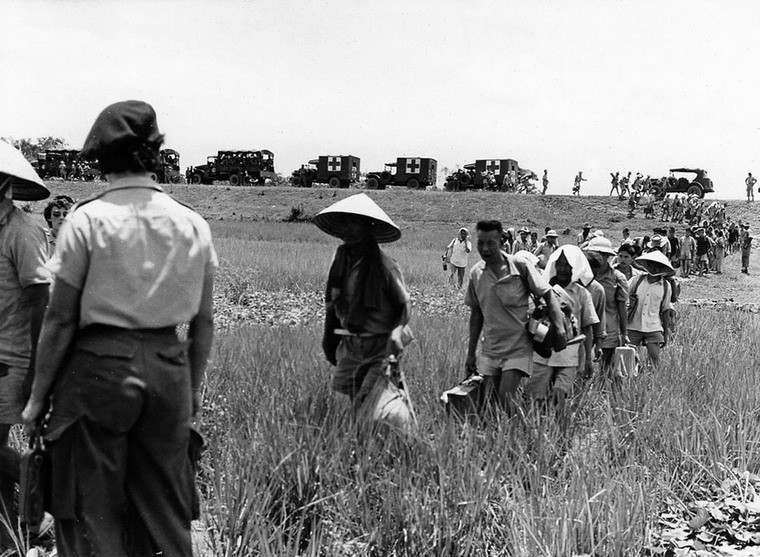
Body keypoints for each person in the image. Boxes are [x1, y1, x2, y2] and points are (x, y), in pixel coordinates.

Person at [22, 100, 218, 557]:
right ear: (155, 155)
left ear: (101, 160)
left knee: (93, 511)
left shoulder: (86, 221)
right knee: (166, 511)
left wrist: (36, 399)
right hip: (169, 370)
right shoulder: (193, 223)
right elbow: (204, 322)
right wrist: (190, 390)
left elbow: (60, 317)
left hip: (98, 372)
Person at [0, 141, 52, 549]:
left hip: (11, 357)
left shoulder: (22, 229)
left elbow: (41, 299)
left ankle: (62, 499)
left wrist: (38, 368)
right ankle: (10, 537)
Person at [317, 193, 412, 406]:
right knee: (355, 404)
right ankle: (360, 437)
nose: (348, 228)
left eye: (355, 223)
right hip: (351, 344)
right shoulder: (341, 263)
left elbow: (404, 305)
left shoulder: (385, 266)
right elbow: (332, 304)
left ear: (368, 228)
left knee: (366, 402)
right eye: (346, 222)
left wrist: (397, 332)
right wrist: (328, 339)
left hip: (380, 346)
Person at [465, 220, 567, 415]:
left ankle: (527, 435)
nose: (485, 249)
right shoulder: (476, 273)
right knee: (489, 402)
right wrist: (471, 353)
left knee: (506, 398)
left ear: (502, 242)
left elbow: (547, 294)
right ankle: (499, 439)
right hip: (490, 348)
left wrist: (559, 327)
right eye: (481, 243)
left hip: (518, 347)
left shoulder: (519, 266)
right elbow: (476, 314)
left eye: (491, 243)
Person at [524, 246, 598, 413]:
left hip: (568, 356)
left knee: (559, 397)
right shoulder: (542, 290)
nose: (563, 269)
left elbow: (587, 328)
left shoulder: (582, 294)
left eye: (568, 265)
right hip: (542, 355)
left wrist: (588, 359)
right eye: (560, 264)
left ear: (576, 267)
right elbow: (530, 321)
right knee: (535, 400)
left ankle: (559, 432)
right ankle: (535, 431)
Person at [583, 237, 629, 374]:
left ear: (608, 257)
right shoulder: (582, 276)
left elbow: (622, 308)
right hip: (585, 327)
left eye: (601, 254)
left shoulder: (617, 277)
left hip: (609, 328)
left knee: (605, 368)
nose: (597, 257)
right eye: (594, 253)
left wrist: (624, 333)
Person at [626, 251, 673, 368]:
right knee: (627, 357)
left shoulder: (666, 286)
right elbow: (623, 299)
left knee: (654, 358)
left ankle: (651, 381)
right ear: (647, 265)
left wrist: (665, 333)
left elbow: (665, 309)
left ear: (662, 268)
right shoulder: (636, 281)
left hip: (653, 326)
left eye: (657, 266)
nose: (654, 268)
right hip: (633, 324)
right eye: (651, 265)